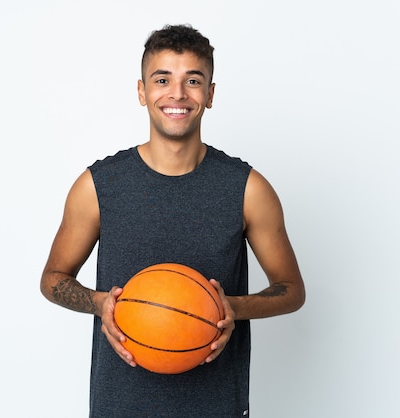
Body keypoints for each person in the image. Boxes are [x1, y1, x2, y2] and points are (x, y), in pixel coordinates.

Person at [40, 24, 305, 417]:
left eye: (193, 80)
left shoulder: (248, 189)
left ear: (210, 95)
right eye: (162, 79)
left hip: (215, 405)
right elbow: (53, 278)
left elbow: (291, 289)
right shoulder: (98, 186)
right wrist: (100, 304)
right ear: (142, 91)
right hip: (120, 405)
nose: (177, 94)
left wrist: (230, 308)